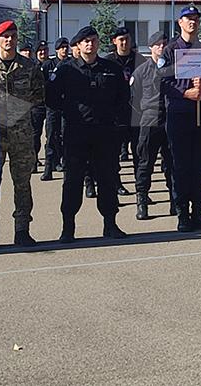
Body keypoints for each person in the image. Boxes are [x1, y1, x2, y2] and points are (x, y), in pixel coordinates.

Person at [47, 26, 129, 242]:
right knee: (72, 181)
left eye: (93, 40)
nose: (90, 44)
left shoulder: (111, 69)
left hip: (105, 134)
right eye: (85, 41)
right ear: (78, 45)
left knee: (107, 179)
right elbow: (52, 98)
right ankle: (68, 228)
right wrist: (69, 112)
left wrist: (115, 122)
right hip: (77, 134)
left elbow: (123, 97)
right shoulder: (66, 70)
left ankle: (110, 225)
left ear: (98, 43)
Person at [159, 6, 201, 232]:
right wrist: (185, 93)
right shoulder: (170, 51)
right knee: (181, 166)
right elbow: (162, 82)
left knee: (200, 165)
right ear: (180, 22)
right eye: (188, 19)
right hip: (179, 114)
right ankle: (183, 214)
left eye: (195, 19)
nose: (192, 22)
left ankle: (199, 212)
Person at [0, 20, 45, 249]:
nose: (9, 40)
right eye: (5, 36)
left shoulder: (29, 67)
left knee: (22, 184)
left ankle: (22, 230)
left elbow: (39, 96)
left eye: (12, 35)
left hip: (21, 134)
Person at [130, 32, 175, 220]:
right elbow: (133, 98)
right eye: (157, 45)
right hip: (149, 120)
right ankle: (142, 201)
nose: (161, 47)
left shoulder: (174, 68)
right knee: (145, 163)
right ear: (150, 48)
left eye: (164, 44)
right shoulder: (141, 71)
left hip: (171, 119)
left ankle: (175, 201)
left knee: (172, 164)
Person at [105, 26, 144, 197]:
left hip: (137, 114)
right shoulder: (108, 62)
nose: (124, 42)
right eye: (121, 39)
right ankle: (117, 184)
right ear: (114, 41)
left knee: (139, 153)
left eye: (127, 39)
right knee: (114, 154)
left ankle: (141, 188)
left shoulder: (140, 60)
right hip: (115, 116)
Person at [40, 37, 69, 181]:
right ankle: (48, 168)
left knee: (66, 137)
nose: (64, 50)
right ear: (56, 50)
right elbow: (41, 84)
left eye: (66, 47)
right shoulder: (48, 65)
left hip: (67, 108)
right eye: (61, 47)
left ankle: (65, 167)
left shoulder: (71, 64)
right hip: (52, 107)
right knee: (51, 137)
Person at [31, 41, 50, 175]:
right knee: (35, 135)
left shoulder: (53, 65)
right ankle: (34, 161)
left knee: (52, 135)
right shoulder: (31, 66)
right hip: (36, 106)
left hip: (50, 105)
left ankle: (52, 163)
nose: (43, 53)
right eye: (40, 51)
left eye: (45, 50)